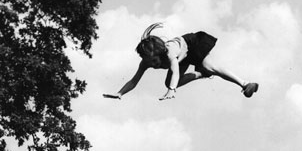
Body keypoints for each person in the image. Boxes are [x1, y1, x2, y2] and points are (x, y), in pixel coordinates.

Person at [103, 23, 259, 101]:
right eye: (151, 63)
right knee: (171, 82)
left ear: (160, 52)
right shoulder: (146, 62)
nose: (154, 65)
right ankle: (200, 74)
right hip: (183, 58)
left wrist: (172, 90)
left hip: (192, 45)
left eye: (155, 61)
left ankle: (245, 84)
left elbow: (175, 71)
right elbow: (133, 80)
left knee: (210, 66)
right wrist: (120, 93)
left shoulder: (170, 51)